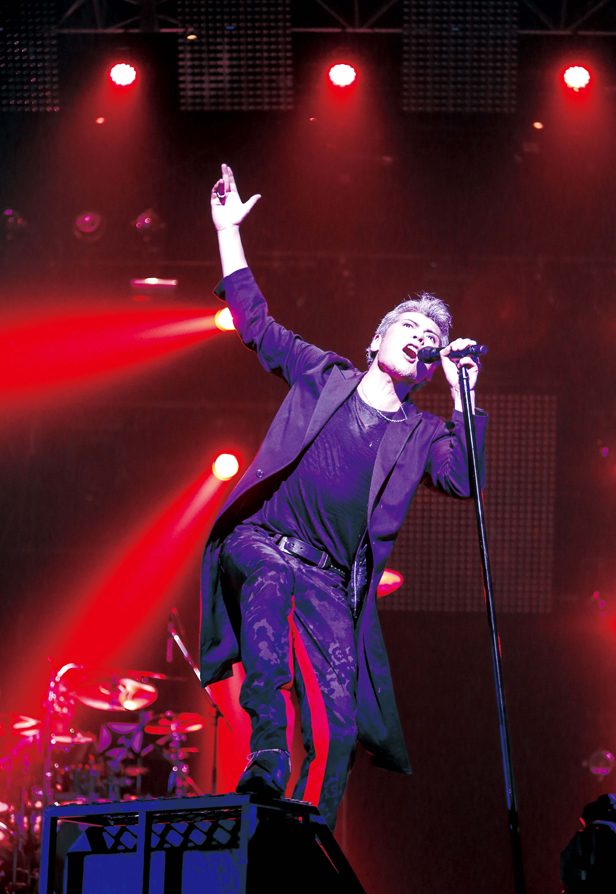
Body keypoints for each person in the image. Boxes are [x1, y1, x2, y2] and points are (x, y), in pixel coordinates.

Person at [199, 165, 487, 830]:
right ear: (378, 338)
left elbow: (463, 479)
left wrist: (464, 392)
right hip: (262, 543)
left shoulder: (423, 431)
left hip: (329, 582)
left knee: (339, 731)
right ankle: (268, 757)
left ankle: (306, 843)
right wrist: (227, 232)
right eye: (410, 324)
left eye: (432, 339)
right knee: (270, 590)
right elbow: (256, 324)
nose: (422, 337)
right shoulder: (322, 375)